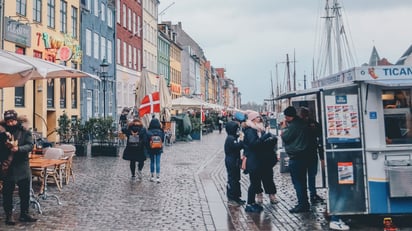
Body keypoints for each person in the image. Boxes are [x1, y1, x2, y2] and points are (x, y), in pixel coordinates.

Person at [0, 110, 37, 225]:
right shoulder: (1, 131)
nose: (10, 123)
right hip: (8, 166)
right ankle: (9, 216)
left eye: (12, 121)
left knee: (25, 192)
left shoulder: (25, 131)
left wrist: (19, 149)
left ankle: (24, 214)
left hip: (22, 165)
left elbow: (30, 145)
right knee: (7, 192)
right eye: (8, 121)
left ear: (16, 120)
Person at [280, 106, 311, 213]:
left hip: (296, 157)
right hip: (304, 156)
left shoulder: (293, 126)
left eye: (286, 116)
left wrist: (284, 128)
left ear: (289, 116)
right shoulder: (301, 123)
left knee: (298, 182)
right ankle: (305, 203)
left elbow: (285, 137)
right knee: (302, 181)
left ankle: (302, 204)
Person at [243, 111, 274, 212]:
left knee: (256, 182)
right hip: (253, 160)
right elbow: (253, 144)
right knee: (254, 183)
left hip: (258, 160)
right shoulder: (251, 130)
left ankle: (252, 203)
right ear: (252, 119)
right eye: (257, 117)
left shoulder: (257, 129)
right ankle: (250, 203)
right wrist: (264, 138)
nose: (259, 119)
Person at [299, 107, 324, 204]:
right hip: (303, 153)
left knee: (312, 174)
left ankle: (312, 193)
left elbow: (320, 132)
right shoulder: (299, 124)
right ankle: (306, 195)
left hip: (311, 151)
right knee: (305, 176)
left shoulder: (312, 123)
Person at [224, 116, 245, 206]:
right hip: (231, 161)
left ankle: (237, 197)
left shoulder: (232, 137)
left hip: (235, 160)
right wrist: (242, 140)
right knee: (232, 179)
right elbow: (237, 146)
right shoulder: (230, 139)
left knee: (236, 179)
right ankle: (232, 198)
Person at [146, 118, 165, 183]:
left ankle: (152, 176)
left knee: (152, 162)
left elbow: (147, 141)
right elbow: (162, 140)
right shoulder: (161, 131)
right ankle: (158, 177)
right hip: (159, 148)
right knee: (158, 162)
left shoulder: (148, 131)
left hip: (151, 148)